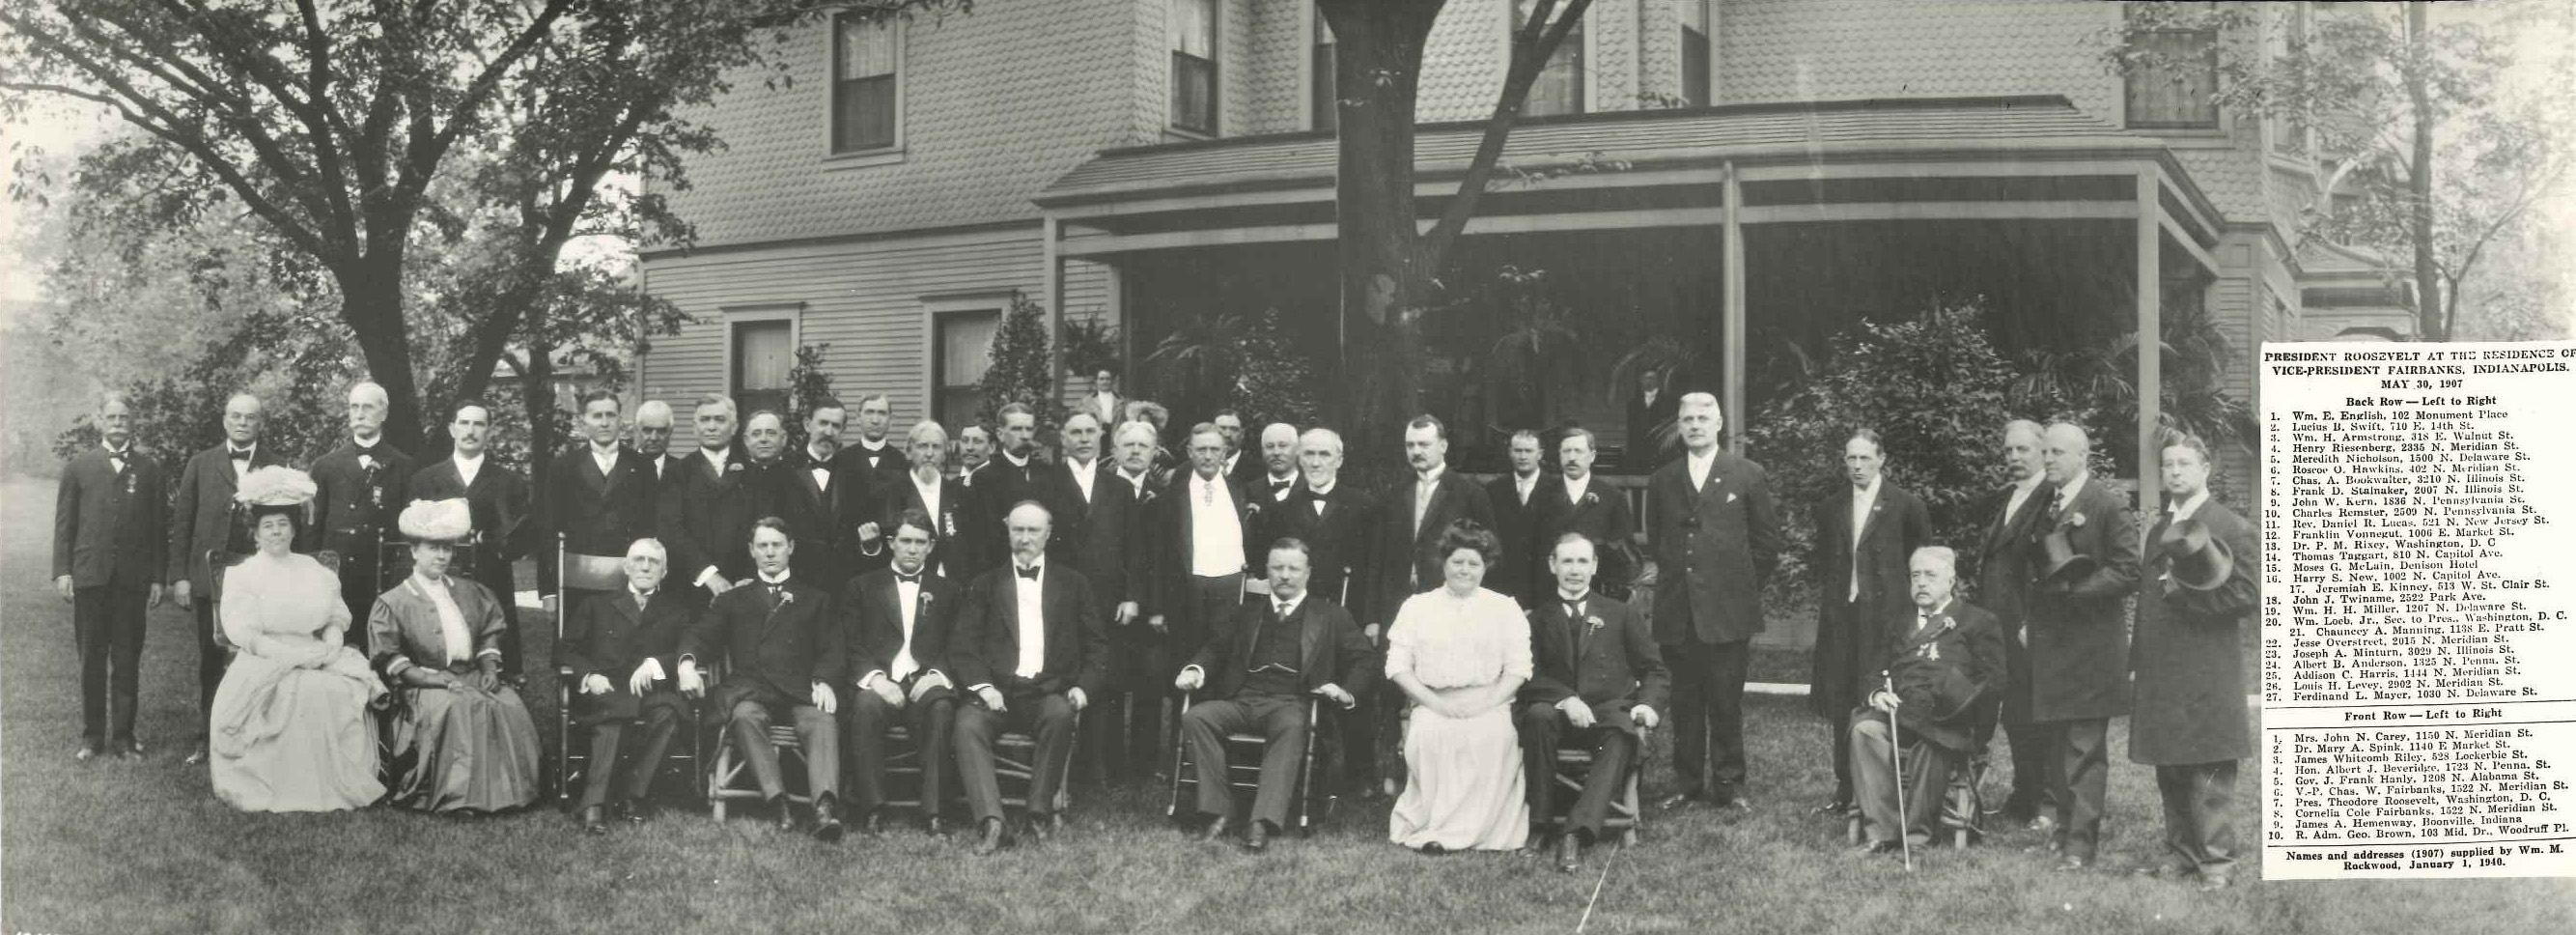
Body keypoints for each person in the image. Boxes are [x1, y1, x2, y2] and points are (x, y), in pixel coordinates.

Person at [1175, 539, 1376, 852]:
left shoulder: (1330, 615)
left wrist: (1345, 690)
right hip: (1242, 699)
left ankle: (1261, 820)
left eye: (1293, 568)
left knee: (1292, 726)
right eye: (1277, 567)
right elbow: (1216, 648)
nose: (1285, 575)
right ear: (1266, 571)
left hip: (1292, 703)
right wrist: (1195, 670)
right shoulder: (1247, 612)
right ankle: (1219, 810)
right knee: (1196, 717)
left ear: (1307, 573)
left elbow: (1364, 658)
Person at [210, 466, 387, 810]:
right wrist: (290, 657)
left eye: (283, 525)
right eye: (268, 526)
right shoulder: (243, 575)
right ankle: (284, 782)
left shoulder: (314, 571)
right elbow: (245, 632)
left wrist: (333, 642)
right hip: (266, 656)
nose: (276, 532)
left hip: (316, 650)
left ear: (294, 529)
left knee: (339, 689)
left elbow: (336, 615)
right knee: (301, 690)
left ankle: (332, 780)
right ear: (256, 534)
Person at [2128, 435, 2256, 891]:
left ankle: (2217, 863)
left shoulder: (2232, 526)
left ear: (2205, 468)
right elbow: (2147, 602)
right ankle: (2181, 855)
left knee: (2209, 763)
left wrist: (2187, 599)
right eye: (2168, 466)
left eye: (2184, 464)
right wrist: (2137, 660)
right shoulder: (2161, 529)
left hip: (2206, 666)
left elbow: (2246, 596)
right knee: (2171, 763)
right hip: (2162, 667)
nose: (2175, 473)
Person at [1644, 392, 1782, 812]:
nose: (1695, 425)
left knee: (1725, 701)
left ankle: (1729, 783)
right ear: (1679, 425)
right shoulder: (1663, 479)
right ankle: (1687, 784)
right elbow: (1658, 540)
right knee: (1684, 703)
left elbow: (1766, 546)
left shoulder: (1747, 474)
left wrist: (1737, 591)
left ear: (1719, 423)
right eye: (1687, 418)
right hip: (1678, 612)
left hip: (1728, 614)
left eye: (1704, 418)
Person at [951, 501, 1110, 856]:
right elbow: (963, 647)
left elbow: (1098, 648)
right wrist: (984, 687)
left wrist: (1084, 688)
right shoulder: (985, 584)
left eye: (1033, 531)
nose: (1025, 539)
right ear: (1007, 532)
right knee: (966, 725)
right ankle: (992, 821)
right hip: (997, 693)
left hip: (1047, 691)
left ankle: (1037, 812)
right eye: (1018, 530)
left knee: (1060, 716)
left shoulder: (1073, 584)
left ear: (1049, 534)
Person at [369, 497, 544, 813]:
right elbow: (389, 656)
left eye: (447, 548)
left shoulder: (470, 590)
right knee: (460, 706)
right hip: (423, 684)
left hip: (471, 673)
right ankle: (461, 797)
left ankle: (511, 792)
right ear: (414, 551)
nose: (441, 555)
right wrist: (433, 679)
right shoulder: (393, 601)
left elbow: (490, 631)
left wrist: (489, 666)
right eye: (433, 548)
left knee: (508, 703)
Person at [677, 518, 848, 841]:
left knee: (823, 720)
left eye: (777, 545)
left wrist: (824, 679)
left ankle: (824, 807)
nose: (770, 553)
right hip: (752, 689)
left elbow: (833, 649)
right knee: (744, 716)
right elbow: (700, 637)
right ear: (751, 551)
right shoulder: (731, 600)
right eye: (763, 546)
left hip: (800, 690)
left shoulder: (815, 599)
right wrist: (687, 664)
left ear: (791, 548)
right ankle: (777, 801)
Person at [1358, 414, 1496, 800]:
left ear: (1443, 446)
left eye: (1424, 444)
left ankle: (1449, 775)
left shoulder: (1469, 494)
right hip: (1396, 607)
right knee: (1392, 689)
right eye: (1410, 446)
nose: (1416, 452)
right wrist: (1372, 617)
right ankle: (1393, 770)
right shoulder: (1394, 492)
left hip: (1451, 609)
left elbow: (1488, 557)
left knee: (1442, 684)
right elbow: (1377, 558)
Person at [2023, 421, 2140, 871]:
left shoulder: (2107, 505)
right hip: (2052, 647)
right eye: (2045, 451)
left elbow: (2129, 572)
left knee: (2085, 749)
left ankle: (2080, 846)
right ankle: (2063, 829)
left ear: (2082, 457)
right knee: (2056, 743)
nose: (2047, 458)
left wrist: (2076, 592)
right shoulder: (2044, 503)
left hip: (2092, 649)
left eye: (2056, 452)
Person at [1519, 533, 1666, 873]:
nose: (1575, 570)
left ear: (1594, 566)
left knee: (1622, 730)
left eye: (1582, 561)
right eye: (1567, 561)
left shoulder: (1620, 614)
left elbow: (1654, 669)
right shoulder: (1536, 619)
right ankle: (1539, 826)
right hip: (1555, 713)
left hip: (1606, 711)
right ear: (1552, 565)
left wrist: (1648, 705)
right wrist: (1565, 699)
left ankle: (1575, 831)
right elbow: (1527, 674)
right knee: (1537, 716)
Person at [1386, 521, 1531, 853]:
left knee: (1492, 736)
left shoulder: (1504, 608)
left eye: (1473, 564)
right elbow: (1397, 666)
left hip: (1490, 703)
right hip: (1433, 702)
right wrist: (1434, 703)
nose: (1464, 570)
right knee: (1432, 736)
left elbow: (1519, 668)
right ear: (1444, 563)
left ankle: (1480, 829)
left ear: (1486, 567)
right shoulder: (1417, 607)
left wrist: (1486, 703)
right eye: (1458, 562)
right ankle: (1436, 827)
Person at [1849, 547, 2003, 855]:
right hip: (1900, 712)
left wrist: (1967, 712)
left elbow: (1994, 681)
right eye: (1915, 575)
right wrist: (1879, 693)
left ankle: (1918, 837)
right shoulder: (1898, 622)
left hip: (1949, 717)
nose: (1921, 583)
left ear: (1951, 581)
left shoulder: (1977, 621)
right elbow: (1872, 671)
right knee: (1864, 729)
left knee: (1934, 741)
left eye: (1930, 576)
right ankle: (1882, 832)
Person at [1808, 429, 1929, 815]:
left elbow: (1920, 563)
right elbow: (1825, 561)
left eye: (1865, 458)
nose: (1857, 466)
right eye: (1851, 459)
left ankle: (1883, 786)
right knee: (1843, 698)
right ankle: (1845, 787)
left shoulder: (1906, 506)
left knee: (1880, 695)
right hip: (1843, 619)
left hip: (1887, 620)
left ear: (1881, 460)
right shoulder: (1831, 507)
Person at [171, 390, 285, 765]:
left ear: (260, 424)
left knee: (256, 656)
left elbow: (287, 524)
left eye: (249, 417)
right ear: (224, 420)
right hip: (210, 576)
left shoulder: (275, 466)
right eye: (235, 416)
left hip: (259, 577)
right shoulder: (201, 464)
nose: (241, 422)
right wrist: (182, 578)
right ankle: (208, 737)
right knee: (212, 657)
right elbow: (183, 523)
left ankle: (256, 736)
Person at [54, 391, 169, 760]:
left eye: (124, 418)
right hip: (90, 577)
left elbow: (157, 528)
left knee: (126, 658)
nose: (118, 424)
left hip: (132, 581)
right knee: (91, 658)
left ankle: (123, 735)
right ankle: (91, 736)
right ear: (100, 421)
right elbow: (65, 525)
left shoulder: (149, 468)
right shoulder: (79, 467)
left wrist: (157, 577)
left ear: (133, 422)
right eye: (112, 417)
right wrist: (62, 571)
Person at [1045, 413, 1159, 783]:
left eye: (1089, 432)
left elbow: (1136, 549)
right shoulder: (1047, 482)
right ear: (1063, 438)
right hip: (1059, 598)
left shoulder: (1118, 487)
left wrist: (1132, 597)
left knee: (1106, 679)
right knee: (1064, 675)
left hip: (1109, 599)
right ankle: (1065, 763)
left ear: (1101, 438)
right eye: (1074, 432)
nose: (1082, 438)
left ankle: (1102, 766)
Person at [558, 537, 693, 834]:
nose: (646, 567)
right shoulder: (596, 605)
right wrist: (589, 676)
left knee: (667, 713)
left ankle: (635, 794)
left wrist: (656, 663)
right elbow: (566, 649)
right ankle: (594, 804)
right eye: (639, 560)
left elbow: (686, 651)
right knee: (613, 718)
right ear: (626, 567)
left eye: (654, 562)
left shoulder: (676, 611)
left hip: (650, 691)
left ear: (665, 571)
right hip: (606, 688)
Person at [841, 509, 964, 835]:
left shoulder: (949, 590)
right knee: (865, 707)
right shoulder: (861, 586)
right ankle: (873, 808)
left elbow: (959, 644)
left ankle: (934, 812)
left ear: (930, 546)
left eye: (920, 542)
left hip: (926, 682)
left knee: (941, 708)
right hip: (881, 681)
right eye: (905, 541)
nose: (912, 549)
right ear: (891, 543)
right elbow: (850, 643)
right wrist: (877, 680)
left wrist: (937, 674)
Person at [406, 398, 536, 677]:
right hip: (439, 580)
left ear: (489, 431)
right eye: (464, 423)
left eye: (479, 424)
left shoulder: (510, 482)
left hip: (491, 582)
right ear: (452, 429)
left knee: (496, 661)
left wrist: (491, 541)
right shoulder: (425, 480)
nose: (470, 430)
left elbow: (522, 537)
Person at [1978, 419, 2057, 828]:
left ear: (2044, 451)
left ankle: (2046, 801)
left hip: (2030, 630)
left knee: (2037, 716)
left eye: (2023, 450)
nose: (2013, 458)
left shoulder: (2050, 499)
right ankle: (2025, 795)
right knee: (2015, 716)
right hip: (2000, 630)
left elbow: (2051, 571)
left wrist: (2035, 622)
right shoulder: (2010, 497)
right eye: (2009, 451)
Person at [304, 381, 416, 640]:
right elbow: (313, 527)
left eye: (368, 407)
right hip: (336, 573)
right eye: (354, 407)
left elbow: (407, 529)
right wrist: (311, 571)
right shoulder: (325, 465)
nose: (360, 413)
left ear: (384, 413)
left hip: (380, 571)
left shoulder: (403, 466)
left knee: (379, 644)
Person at [543, 389, 658, 621]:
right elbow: (548, 530)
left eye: (610, 415)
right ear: (583, 421)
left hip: (628, 580)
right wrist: (548, 591)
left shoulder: (643, 466)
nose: (604, 422)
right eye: (597, 416)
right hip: (577, 582)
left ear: (620, 419)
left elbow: (650, 528)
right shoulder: (563, 467)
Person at [1154, 424, 1257, 666]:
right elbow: (1159, 555)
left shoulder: (1241, 490)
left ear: (1224, 453)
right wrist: (1158, 608)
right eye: (1201, 449)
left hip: (1232, 587)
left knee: (1229, 659)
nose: (1208, 456)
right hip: (1190, 591)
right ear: (1190, 452)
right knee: (1189, 659)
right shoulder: (1170, 499)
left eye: (1214, 449)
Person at [659, 394, 760, 608]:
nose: (712, 427)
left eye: (720, 420)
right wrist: (708, 574)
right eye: (705, 420)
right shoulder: (677, 473)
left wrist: (749, 578)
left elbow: (763, 528)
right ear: (695, 428)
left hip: (743, 586)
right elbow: (671, 529)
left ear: (734, 427)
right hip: (690, 587)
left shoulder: (754, 474)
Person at [1530, 427, 1637, 601]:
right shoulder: (1542, 494)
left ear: (1592, 456)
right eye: (1566, 451)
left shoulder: (1612, 496)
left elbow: (1624, 554)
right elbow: (1532, 550)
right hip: (1549, 594)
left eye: (1578, 451)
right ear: (1559, 454)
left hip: (1598, 592)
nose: (1572, 457)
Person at [881, 420, 989, 581]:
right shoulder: (891, 493)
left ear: (944, 454)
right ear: (909, 452)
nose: (929, 453)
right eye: (923, 446)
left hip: (953, 585)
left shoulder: (961, 493)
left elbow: (972, 547)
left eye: (936, 447)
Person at [780, 399, 867, 591]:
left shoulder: (855, 474)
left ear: (843, 430)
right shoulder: (783, 470)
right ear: (807, 424)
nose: (828, 432)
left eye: (836, 426)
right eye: (823, 423)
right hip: (797, 583)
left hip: (842, 585)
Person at [1482, 430, 1548, 604]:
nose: (1523, 456)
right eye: (1518, 451)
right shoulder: (1493, 490)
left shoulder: (1556, 489)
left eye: (1529, 451)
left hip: (1542, 582)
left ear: (1540, 454)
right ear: (1510, 453)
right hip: (1503, 581)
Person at [839, 393, 910, 498]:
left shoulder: (903, 462)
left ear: (891, 420)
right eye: (869, 412)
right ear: (858, 418)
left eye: (882, 413)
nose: (875, 420)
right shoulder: (841, 459)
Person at [1623, 363, 1677, 472]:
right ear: (1640, 380)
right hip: (1639, 453)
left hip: (1661, 453)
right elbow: (1631, 430)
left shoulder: (1669, 402)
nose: (1648, 381)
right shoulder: (1633, 403)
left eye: (1652, 378)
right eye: (1645, 378)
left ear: (1658, 381)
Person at [1251, 422, 1302, 506]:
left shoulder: (1313, 489)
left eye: (1283, 446)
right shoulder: (1249, 491)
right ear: (1262, 452)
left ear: (1297, 450)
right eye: (1270, 446)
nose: (1276, 452)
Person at [633, 399, 683, 484]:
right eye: (647, 430)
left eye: (661, 431)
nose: (654, 438)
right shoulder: (619, 467)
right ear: (637, 430)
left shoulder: (683, 471)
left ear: (670, 432)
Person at [955, 422, 996, 490]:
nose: (969, 447)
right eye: (965, 441)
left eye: (977, 442)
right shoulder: (950, 485)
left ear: (991, 447)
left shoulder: (1002, 484)